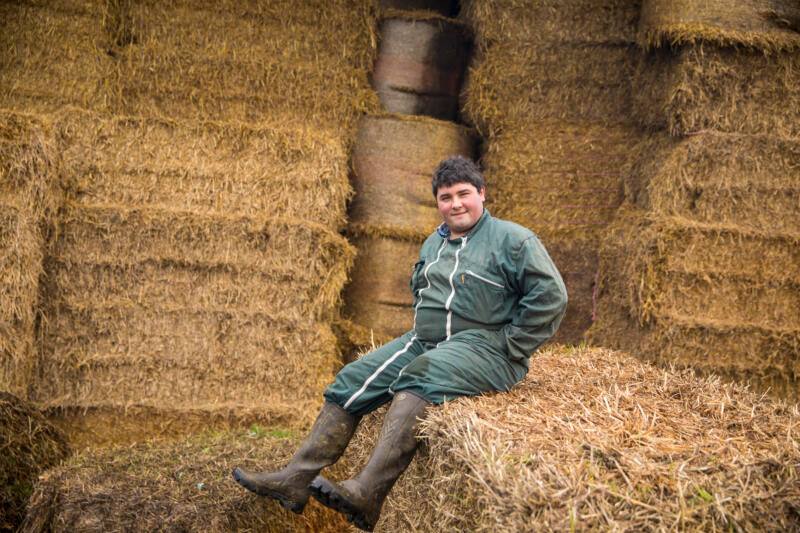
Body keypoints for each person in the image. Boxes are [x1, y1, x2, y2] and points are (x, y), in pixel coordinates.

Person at [233, 155, 568, 531]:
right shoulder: (433, 243)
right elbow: (422, 291)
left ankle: (367, 492)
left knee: (421, 375)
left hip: (485, 347)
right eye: (445, 197)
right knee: (351, 377)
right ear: (437, 203)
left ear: (482, 194)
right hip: (426, 340)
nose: (455, 204)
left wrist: (513, 342)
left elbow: (551, 297)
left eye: (464, 194)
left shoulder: (514, 240)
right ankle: (295, 479)